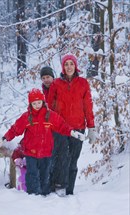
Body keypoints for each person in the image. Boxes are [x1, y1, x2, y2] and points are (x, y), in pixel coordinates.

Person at [1, 88, 85, 196]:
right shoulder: (27, 117)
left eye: (39, 102)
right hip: (31, 152)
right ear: (30, 103)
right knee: (32, 174)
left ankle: (45, 195)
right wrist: (5, 138)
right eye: (34, 103)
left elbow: (61, 126)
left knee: (45, 175)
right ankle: (33, 195)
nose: (37, 105)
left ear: (43, 102)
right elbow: (15, 129)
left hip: (46, 152)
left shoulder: (50, 115)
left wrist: (72, 132)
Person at [48, 54, 97, 196]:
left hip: (78, 127)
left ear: (75, 66)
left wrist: (91, 127)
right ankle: (58, 186)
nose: (69, 67)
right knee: (60, 158)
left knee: (73, 159)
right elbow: (50, 107)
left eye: (71, 64)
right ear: (63, 67)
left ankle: (69, 190)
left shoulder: (83, 83)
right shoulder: (56, 84)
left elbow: (88, 106)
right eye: (66, 64)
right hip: (60, 128)